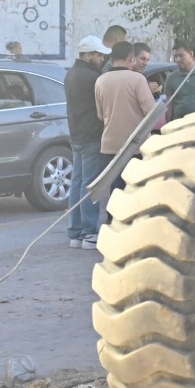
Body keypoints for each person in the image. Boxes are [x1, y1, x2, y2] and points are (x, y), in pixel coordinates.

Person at [93, 41, 156, 219]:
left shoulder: (100, 80)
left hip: (110, 144)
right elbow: (151, 112)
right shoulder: (137, 79)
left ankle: (113, 221)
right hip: (135, 144)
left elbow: (100, 114)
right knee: (135, 187)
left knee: (116, 187)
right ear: (130, 58)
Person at [64, 35, 109, 250]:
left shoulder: (71, 74)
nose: (101, 59)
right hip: (91, 135)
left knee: (77, 183)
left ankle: (75, 233)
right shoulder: (93, 78)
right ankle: (89, 232)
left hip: (76, 135)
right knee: (90, 185)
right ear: (88, 55)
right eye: (99, 55)